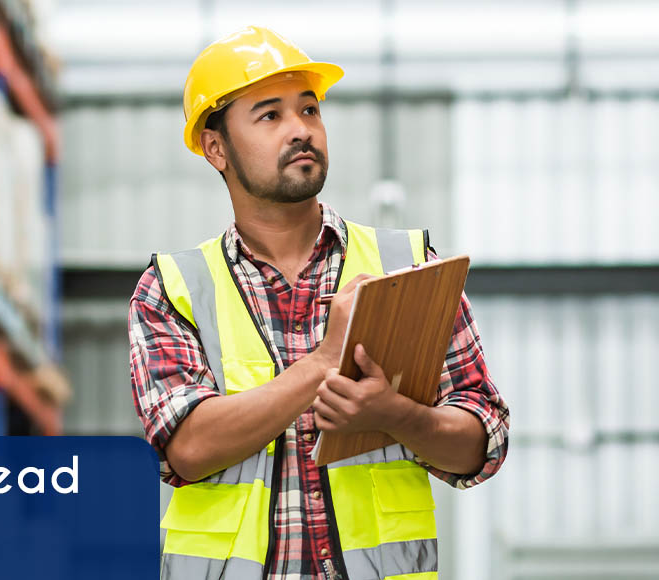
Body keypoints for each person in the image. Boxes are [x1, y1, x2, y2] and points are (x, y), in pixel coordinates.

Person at [128, 26, 509, 580]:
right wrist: (329, 359)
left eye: (309, 110)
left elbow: (483, 442)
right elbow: (187, 446)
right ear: (216, 149)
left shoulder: (406, 266)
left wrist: (396, 415)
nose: (301, 130)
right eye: (270, 115)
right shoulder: (174, 288)